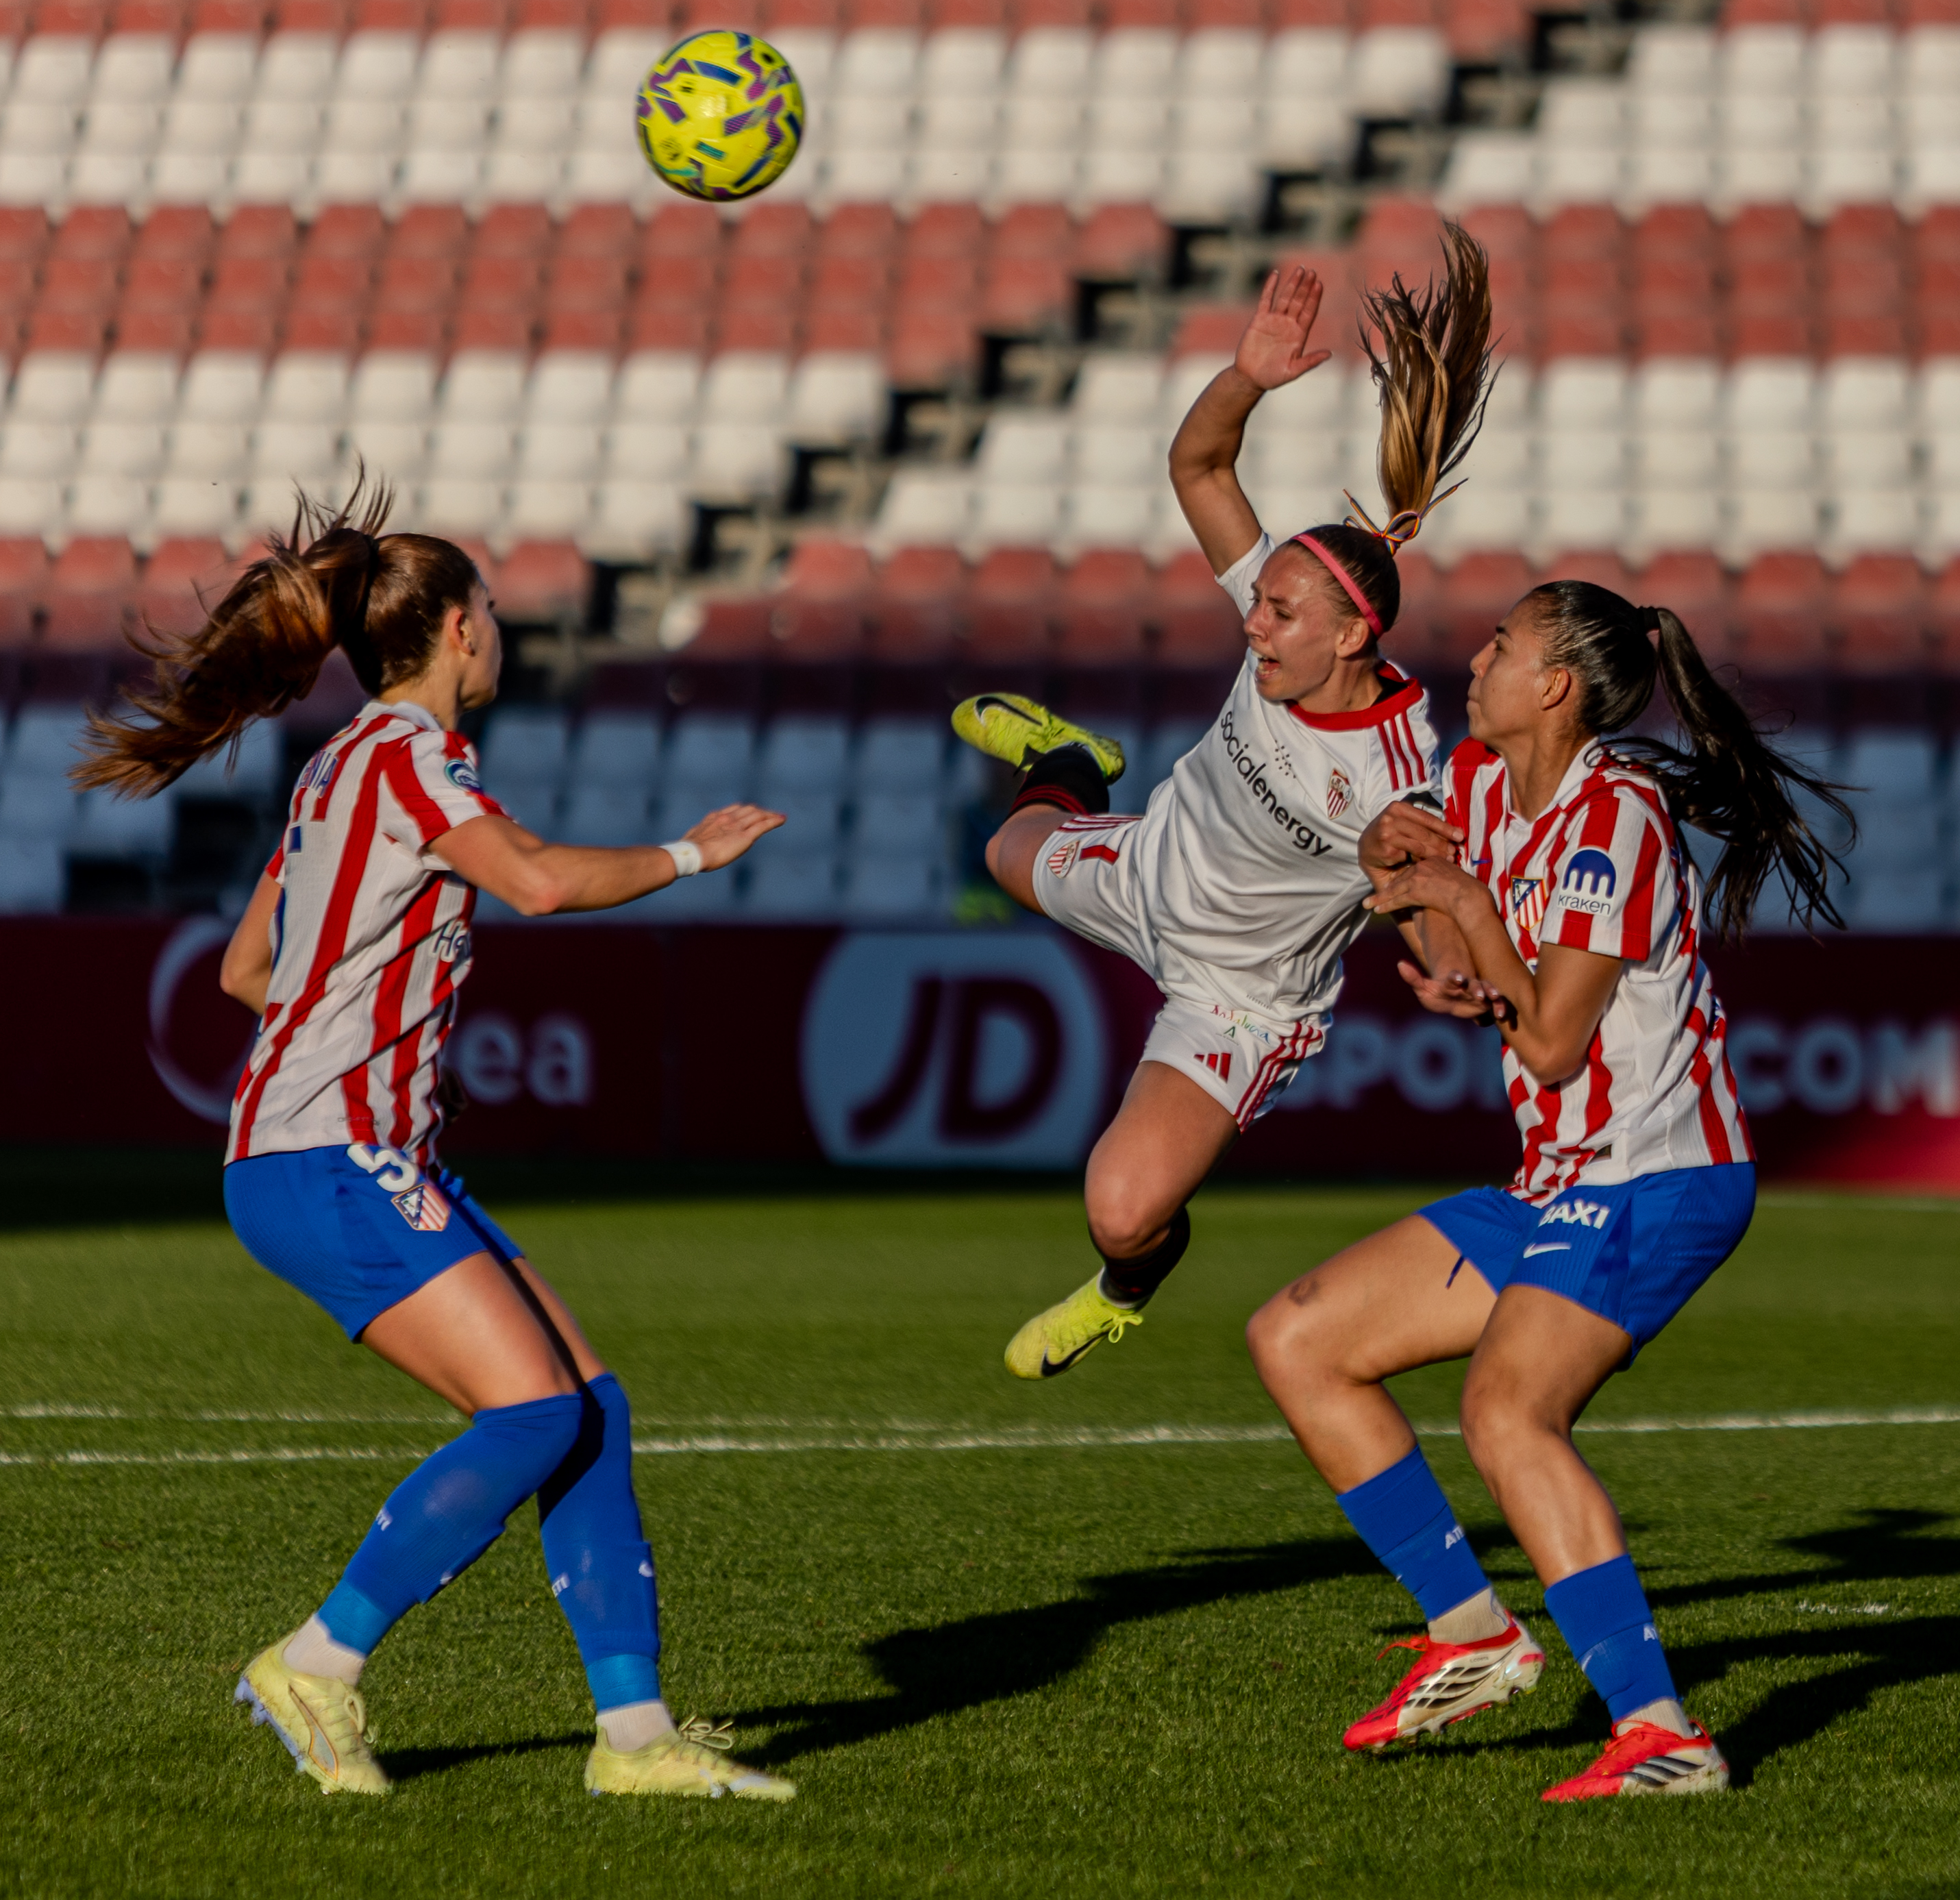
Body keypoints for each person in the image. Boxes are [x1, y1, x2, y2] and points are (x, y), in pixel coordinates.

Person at [71, 486, 796, 1801]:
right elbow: (538, 881)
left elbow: (248, 971)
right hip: (327, 1152)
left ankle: (634, 1740)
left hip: (342, 1145)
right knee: (529, 1409)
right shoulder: (413, 759)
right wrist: (692, 852)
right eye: (498, 616)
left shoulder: (334, 767)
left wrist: (368, 1030)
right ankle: (318, 1660)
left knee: (587, 1408)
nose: (502, 635)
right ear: (460, 632)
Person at [1242, 576, 1846, 1801]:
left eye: (1502, 644)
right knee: (1297, 1336)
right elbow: (1475, 969)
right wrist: (1407, 892)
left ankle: (1660, 1733)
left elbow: (1558, 1039)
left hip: (1657, 1174)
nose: (1477, 657)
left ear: (1556, 686)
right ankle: (1472, 1631)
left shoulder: (1614, 813)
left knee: (1508, 1413)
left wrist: (1459, 904)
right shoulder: (1474, 778)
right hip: (1558, 1175)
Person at [947, 230, 1492, 1380]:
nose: (1255, 623)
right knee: (1008, 840)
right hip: (1148, 866)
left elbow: (1422, 888)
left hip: (1238, 999)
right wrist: (1244, 376)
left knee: (1121, 1207)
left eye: (1283, 614)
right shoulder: (1280, 609)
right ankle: (1068, 757)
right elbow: (1199, 469)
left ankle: (1121, 1292)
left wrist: (1447, 956)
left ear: (1354, 633)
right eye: (1262, 601)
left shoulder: (1397, 770)